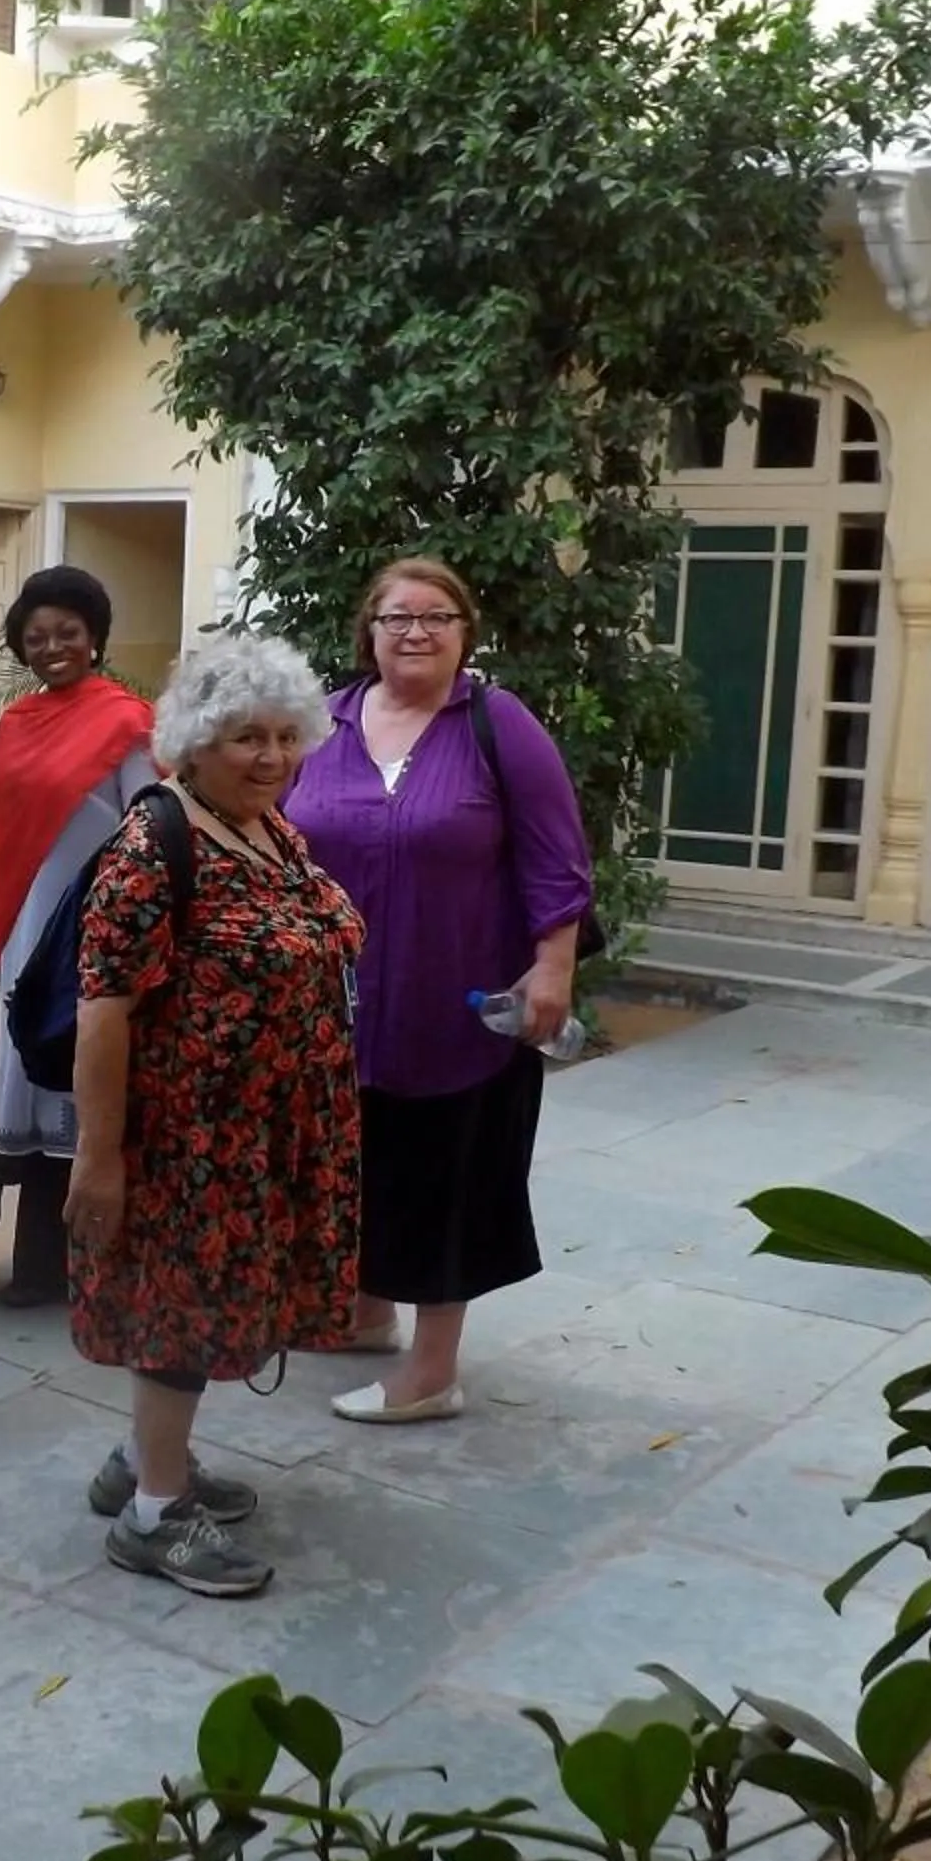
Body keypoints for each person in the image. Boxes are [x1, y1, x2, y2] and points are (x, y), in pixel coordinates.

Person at [66, 634, 364, 1598]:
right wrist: (98, 1157)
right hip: (188, 1143)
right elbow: (103, 1009)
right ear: (194, 744)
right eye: (246, 738)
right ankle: (155, 1516)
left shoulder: (270, 830)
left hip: (267, 1134)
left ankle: (146, 1461)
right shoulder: (157, 841)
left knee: (202, 1311)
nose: (272, 757)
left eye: (286, 736)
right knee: (179, 1317)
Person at [285, 557, 594, 1426]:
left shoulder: (498, 724)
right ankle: (366, 1311)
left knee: (444, 1176)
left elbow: (557, 855)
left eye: (436, 616)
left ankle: (431, 1371)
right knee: (356, 1162)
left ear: (466, 632)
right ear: (368, 632)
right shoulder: (324, 724)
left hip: (456, 1000)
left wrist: (554, 965)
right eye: (396, 617)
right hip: (334, 1003)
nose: (415, 631)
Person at [0, 568, 157, 1309]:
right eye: (36, 637)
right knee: (38, 1087)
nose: (52, 648)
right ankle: (40, 1267)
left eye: (67, 633)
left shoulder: (126, 722)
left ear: (95, 637)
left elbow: (149, 828)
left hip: (93, 934)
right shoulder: (18, 722)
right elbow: (5, 837)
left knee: (88, 1093)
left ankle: (96, 1270)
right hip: (24, 929)